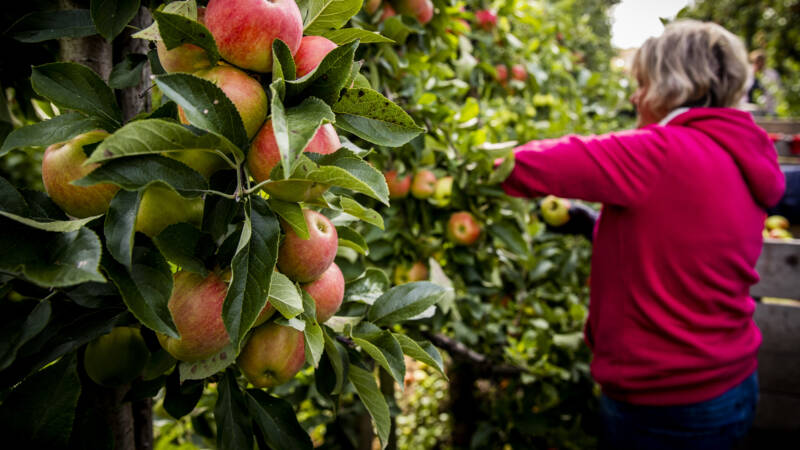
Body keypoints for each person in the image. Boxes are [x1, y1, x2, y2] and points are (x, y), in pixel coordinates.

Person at [499, 20, 785, 449]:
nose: (635, 97)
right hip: (732, 382)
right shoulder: (741, 153)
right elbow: (682, 249)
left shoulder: (657, 152)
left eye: (642, 82)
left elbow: (531, 165)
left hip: (664, 402)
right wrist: (590, 225)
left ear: (670, 85)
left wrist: (465, 160)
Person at [745, 50, 781, 116]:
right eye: (757, 62)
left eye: (761, 61)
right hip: (748, 109)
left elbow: (776, 93)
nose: (759, 64)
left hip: (767, 110)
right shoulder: (747, 73)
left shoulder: (772, 74)